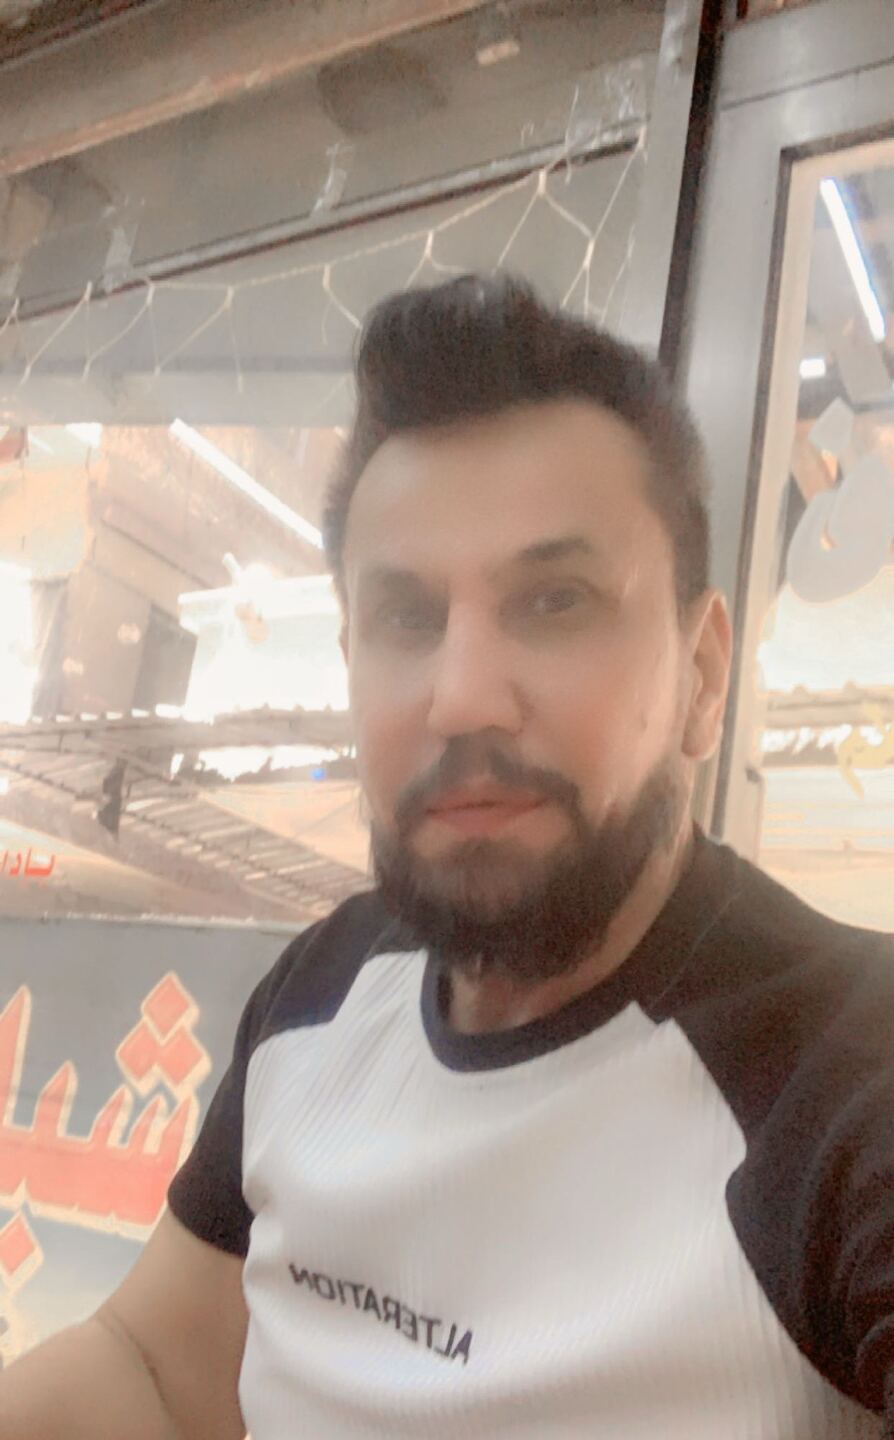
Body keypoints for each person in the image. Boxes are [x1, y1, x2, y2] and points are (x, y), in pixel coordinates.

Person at [1, 274, 892, 1439]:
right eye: (408, 618)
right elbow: (154, 1366)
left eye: (557, 601)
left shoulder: (845, 1077)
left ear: (703, 676)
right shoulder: (323, 988)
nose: (463, 697)